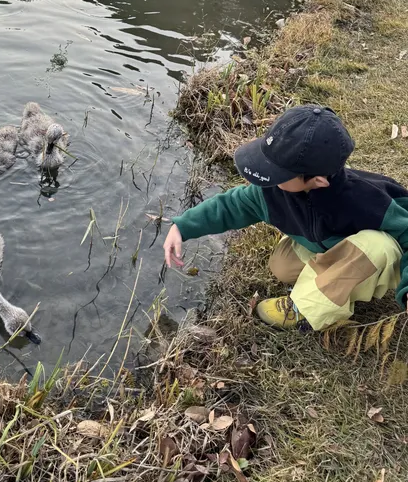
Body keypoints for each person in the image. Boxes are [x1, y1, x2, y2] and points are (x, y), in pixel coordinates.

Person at [163, 105, 408, 331]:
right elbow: (232, 205)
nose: (267, 177)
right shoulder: (273, 191)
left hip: (380, 257)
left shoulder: (365, 199)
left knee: (379, 247)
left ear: (318, 181)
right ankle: (332, 283)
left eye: (277, 173)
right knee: (281, 266)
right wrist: (183, 227)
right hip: (329, 246)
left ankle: (304, 309)